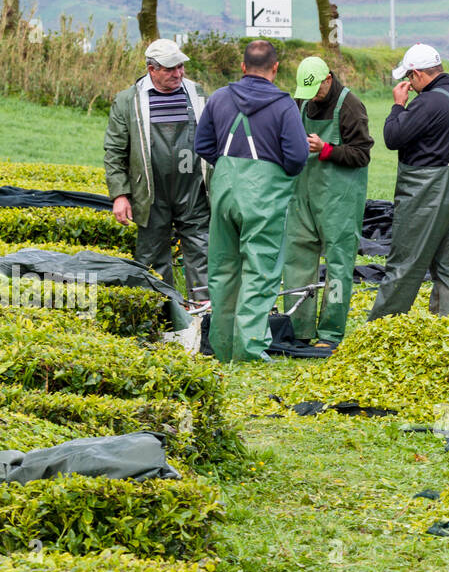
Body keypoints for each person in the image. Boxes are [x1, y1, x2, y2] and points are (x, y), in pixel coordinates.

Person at [193, 39, 309, 362]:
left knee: (223, 270)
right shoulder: (285, 106)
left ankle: (221, 346)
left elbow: (202, 144)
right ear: (275, 68)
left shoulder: (219, 98)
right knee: (260, 271)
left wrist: (232, 170)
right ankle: (249, 351)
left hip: (225, 195)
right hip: (264, 199)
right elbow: (298, 157)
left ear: (243, 67)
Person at [367, 43, 449, 322]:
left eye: (409, 78)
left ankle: (382, 328)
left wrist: (398, 105)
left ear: (418, 74)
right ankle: (448, 330)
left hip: (424, 194)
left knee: (406, 264)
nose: (409, 84)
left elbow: (393, 138)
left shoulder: (427, 103)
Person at [103, 37, 210, 302]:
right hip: (151, 192)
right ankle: (163, 315)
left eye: (180, 67)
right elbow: (115, 151)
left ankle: (205, 314)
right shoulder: (128, 101)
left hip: (193, 190)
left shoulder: (197, 94)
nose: (178, 73)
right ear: (152, 69)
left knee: (203, 250)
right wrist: (120, 195)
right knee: (152, 257)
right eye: (170, 69)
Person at [280, 56, 373, 352]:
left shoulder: (351, 106)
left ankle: (330, 332)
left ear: (328, 79)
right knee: (296, 260)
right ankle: (298, 328)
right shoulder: (303, 102)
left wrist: (326, 149)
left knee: (338, 264)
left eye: (317, 91)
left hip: (339, 201)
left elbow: (361, 154)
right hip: (303, 196)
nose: (312, 98)